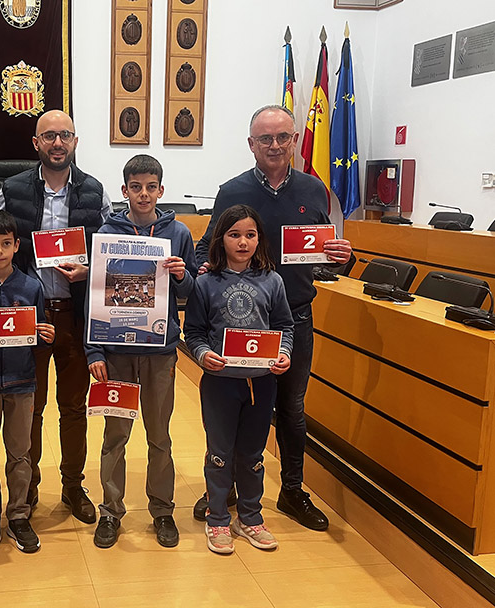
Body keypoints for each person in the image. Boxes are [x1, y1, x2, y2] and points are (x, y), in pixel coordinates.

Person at [192, 105, 352, 531]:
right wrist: (202, 267)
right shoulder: (232, 191)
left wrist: (341, 257)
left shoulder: (315, 190)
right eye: (266, 138)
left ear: (295, 140)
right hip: (238, 322)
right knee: (234, 406)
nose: (275, 145)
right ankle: (224, 489)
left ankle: (292, 490)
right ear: (252, 144)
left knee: (292, 408)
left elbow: (325, 254)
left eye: (283, 137)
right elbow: (206, 247)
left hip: (293, 318)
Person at [0, 109, 111, 524]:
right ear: (36, 143)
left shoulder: (95, 191)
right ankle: (27, 487)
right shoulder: (11, 189)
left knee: (74, 407)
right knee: (28, 406)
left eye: (65, 135)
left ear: (75, 141)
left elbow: (109, 250)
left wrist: (90, 270)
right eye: (49, 136)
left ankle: (73, 486)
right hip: (25, 315)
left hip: (74, 315)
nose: (57, 143)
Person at [86, 154, 197, 548]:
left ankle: (162, 510)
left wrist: (182, 276)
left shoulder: (178, 233)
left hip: (159, 351)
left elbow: (191, 291)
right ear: (125, 190)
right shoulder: (107, 232)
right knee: (115, 434)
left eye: (151, 187)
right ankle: (110, 511)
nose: (144, 194)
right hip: (116, 351)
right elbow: (94, 294)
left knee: (159, 435)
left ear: (161, 190)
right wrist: (93, 351)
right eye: (136, 187)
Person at [185, 204, 294, 554]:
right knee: (220, 453)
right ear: (221, 239)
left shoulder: (273, 281)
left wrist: (284, 353)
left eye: (250, 235)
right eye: (234, 235)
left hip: (261, 384)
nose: (243, 242)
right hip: (220, 383)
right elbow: (194, 332)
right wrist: (203, 354)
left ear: (259, 239)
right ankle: (217, 518)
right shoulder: (205, 283)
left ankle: (249, 517)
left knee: (252, 454)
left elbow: (285, 326)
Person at [0, 209, 56, 553]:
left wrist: (46, 335)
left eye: (5, 244)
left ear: (17, 245)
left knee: (20, 454)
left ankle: (18, 515)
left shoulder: (31, 287)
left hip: (22, 383)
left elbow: (39, 334)